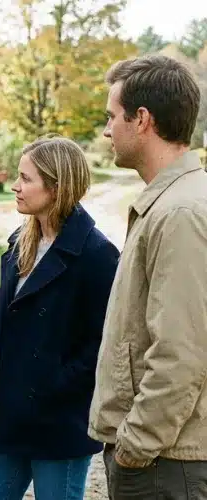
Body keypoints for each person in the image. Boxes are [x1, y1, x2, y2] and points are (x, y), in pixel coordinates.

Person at [0, 135, 120, 500]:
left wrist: (53, 386)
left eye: (25, 179)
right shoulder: (19, 243)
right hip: (8, 418)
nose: (15, 186)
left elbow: (103, 345)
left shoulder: (98, 255)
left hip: (59, 423)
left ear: (55, 187)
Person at [89, 54, 207, 498]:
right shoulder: (174, 202)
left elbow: (181, 351)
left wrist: (135, 446)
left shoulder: (180, 213)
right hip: (163, 458)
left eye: (111, 116)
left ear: (141, 120)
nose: (106, 130)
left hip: (166, 463)